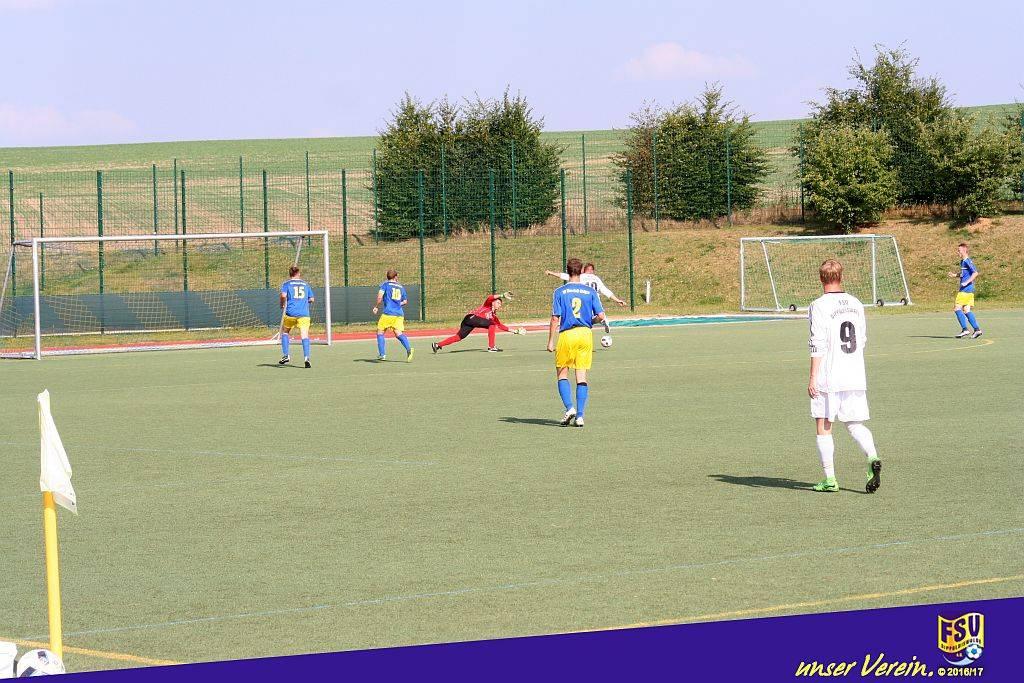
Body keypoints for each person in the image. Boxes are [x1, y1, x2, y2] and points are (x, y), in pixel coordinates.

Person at [807, 259, 882, 493]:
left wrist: (813, 377)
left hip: (829, 374)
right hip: (855, 373)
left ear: (821, 278)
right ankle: (872, 456)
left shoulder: (818, 305)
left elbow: (817, 343)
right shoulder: (856, 303)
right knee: (854, 423)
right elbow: (863, 339)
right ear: (841, 276)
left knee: (824, 424)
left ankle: (830, 479)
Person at [548, 258, 606, 428]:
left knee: (562, 374)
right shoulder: (590, 291)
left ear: (567, 271)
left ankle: (569, 408)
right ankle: (580, 416)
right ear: (581, 271)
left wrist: (550, 341)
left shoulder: (560, 291)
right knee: (581, 376)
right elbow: (601, 316)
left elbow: (555, 318)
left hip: (567, 334)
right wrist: (590, 321)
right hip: (585, 335)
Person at [431, 291, 524, 353]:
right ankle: (491, 347)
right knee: (492, 324)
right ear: (493, 303)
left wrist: (515, 331)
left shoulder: (493, 316)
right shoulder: (487, 305)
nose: (500, 305)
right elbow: (490, 297)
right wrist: (502, 295)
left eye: (500, 304)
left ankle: (437, 345)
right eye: (498, 303)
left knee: (459, 337)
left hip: (470, 322)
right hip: (471, 318)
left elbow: (501, 326)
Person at [372, 269, 414, 362]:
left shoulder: (385, 285)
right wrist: (398, 304)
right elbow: (405, 301)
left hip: (388, 313)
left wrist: (376, 306)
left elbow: (379, 297)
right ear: (395, 277)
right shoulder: (401, 287)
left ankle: (382, 354)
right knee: (398, 333)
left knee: (380, 332)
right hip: (399, 314)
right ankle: (409, 349)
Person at [279, 265, 315, 368]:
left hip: (291, 313)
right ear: (298, 273)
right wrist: (304, 302)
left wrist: (281, 304)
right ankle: (306, 358)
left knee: (285, 332)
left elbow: (283, 296)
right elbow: (312, 299)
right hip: (304, 314)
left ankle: (286, 355)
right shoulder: (305, 284)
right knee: (304, 335)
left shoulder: (286, 284)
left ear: (290, 274)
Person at [545, 263, 627, 307]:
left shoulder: (580, 276)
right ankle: (602, 318)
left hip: (584, 300)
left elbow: (564, 275)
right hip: (595, 301)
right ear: (593, 271)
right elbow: (606, 291)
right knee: (599, 315)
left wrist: (551, 273)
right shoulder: (596, 278)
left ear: (584, 270)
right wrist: (617, 300)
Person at [948, 243, 982, 339]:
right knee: (966, 310)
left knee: (957, 308)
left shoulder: (967, 261)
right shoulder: (962, 262)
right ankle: (977, 330)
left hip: (966, 289)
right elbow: (964, 274)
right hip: (969, 289)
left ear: (964, 251)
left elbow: (975, 273)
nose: (957, 252)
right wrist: (955, 275)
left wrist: (966, 282)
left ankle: (965, 329)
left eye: (959, 250)